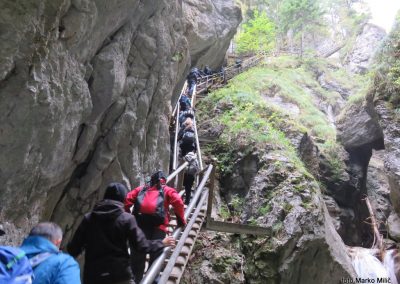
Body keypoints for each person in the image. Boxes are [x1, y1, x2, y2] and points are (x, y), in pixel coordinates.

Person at [67, 183, 175, 284]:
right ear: (122, 199)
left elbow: (73, 249)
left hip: (94, 276)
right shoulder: (127, 219)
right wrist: (161, 243)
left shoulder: (89, 218)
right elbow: (141, 246)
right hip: (120, 275)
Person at [125, 171, 186, 283]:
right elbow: (178, 201)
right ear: (164, 180)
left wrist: (129, 217)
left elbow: (126, 200)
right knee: (155, 261)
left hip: (139, 228)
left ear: (151, 179)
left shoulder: (142, 189)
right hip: (159, 229)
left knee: (136, 263)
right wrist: (181, 221)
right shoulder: (167, 190)